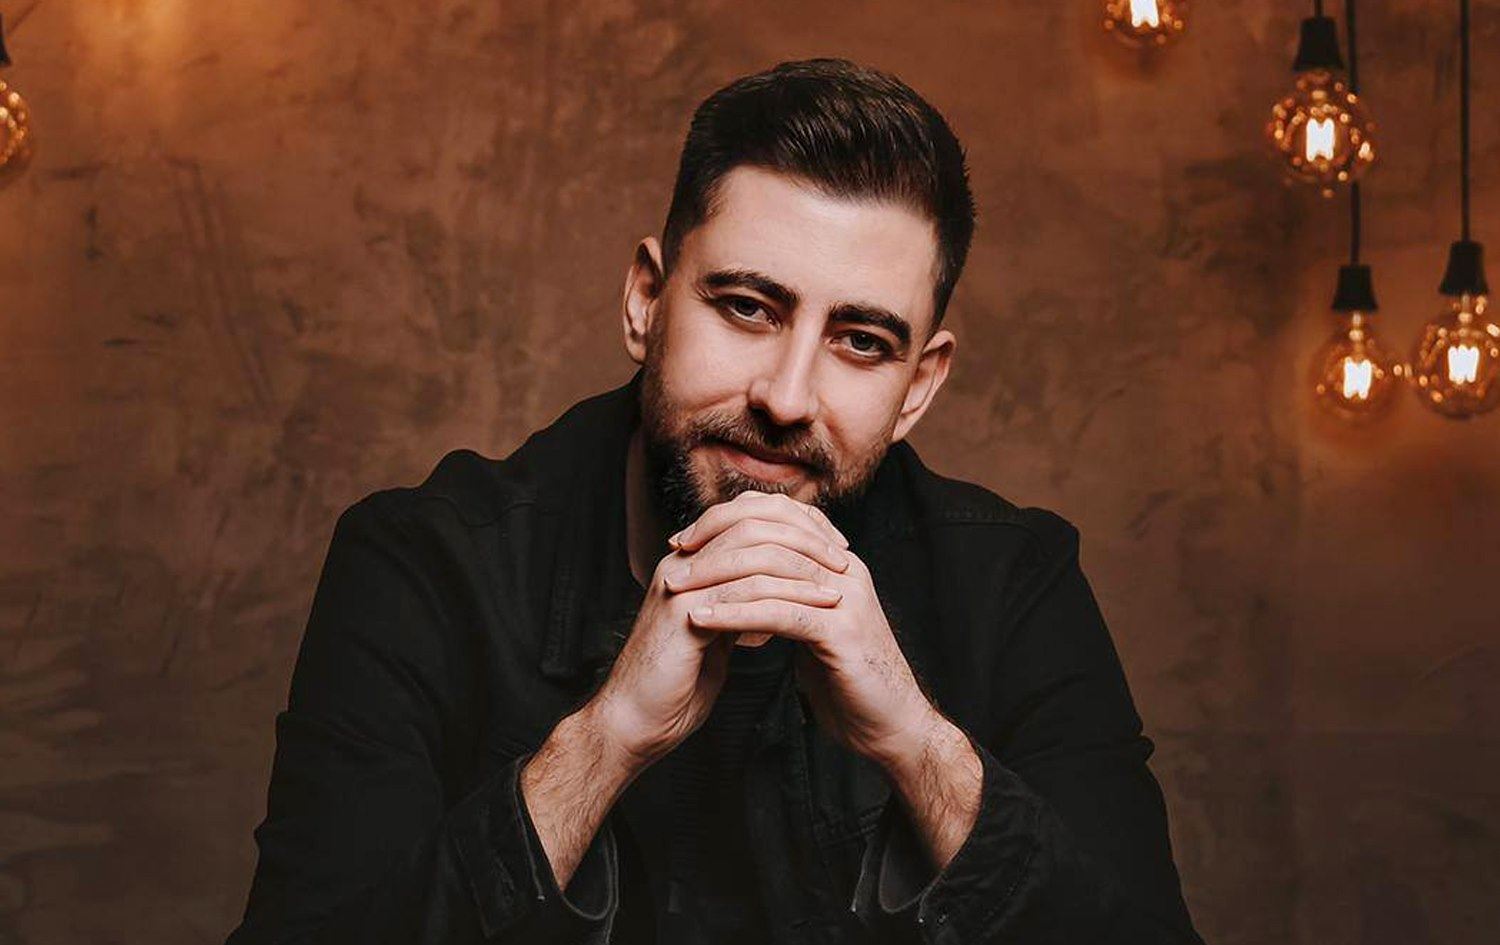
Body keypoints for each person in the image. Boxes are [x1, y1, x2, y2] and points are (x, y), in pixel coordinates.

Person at [225, 57, 1204, 945]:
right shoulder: (424, 563)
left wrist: (917, 744)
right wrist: (602, 743)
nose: (786, 397)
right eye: (747, 307)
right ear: (645, 300)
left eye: (861, 341)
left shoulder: (1015, 584)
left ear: (919, 386)